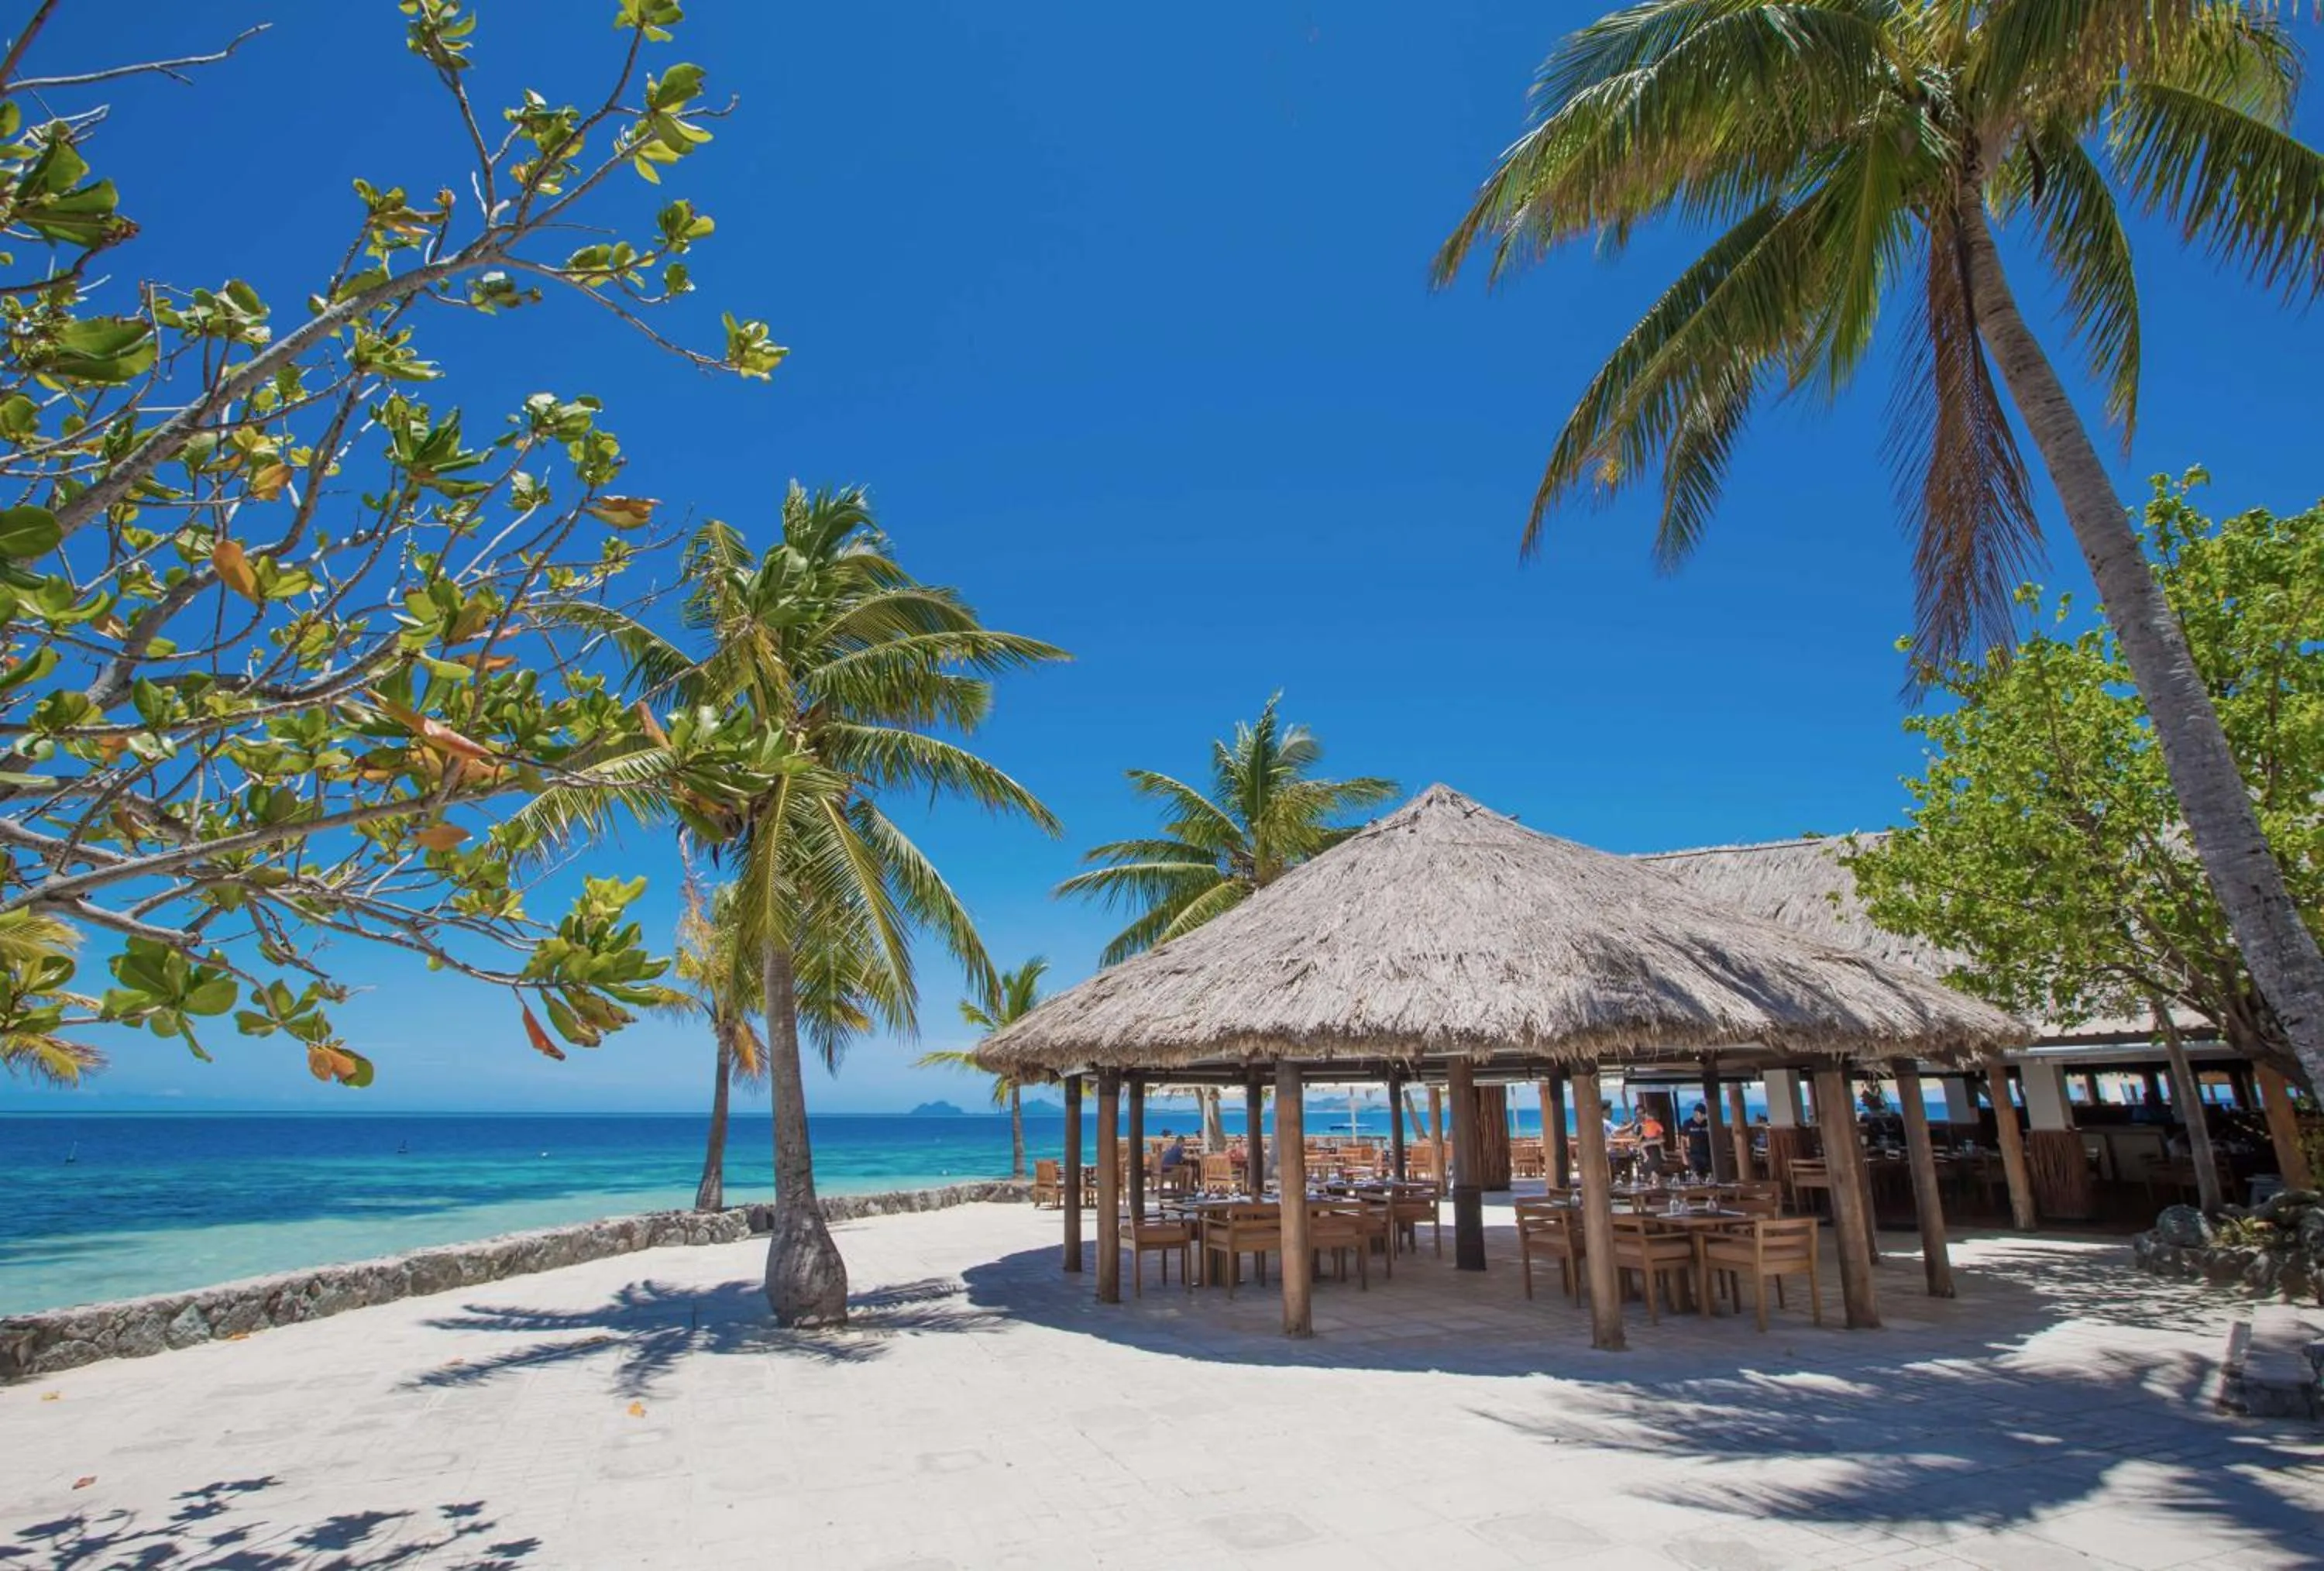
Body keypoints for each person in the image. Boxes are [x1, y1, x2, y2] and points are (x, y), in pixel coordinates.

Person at [1683, 1102, 1713, 1177]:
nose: (1703, 1117)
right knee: (1696, 1175)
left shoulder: (1707, 1123)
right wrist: (1684, 1156)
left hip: (1707, 1155)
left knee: (1708, 1176)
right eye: (1701, 1115)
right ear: (1696, 1113)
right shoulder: (1688, 1123)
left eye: (1704, 1115)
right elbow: (1683, 1140)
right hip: (1694, 1155)